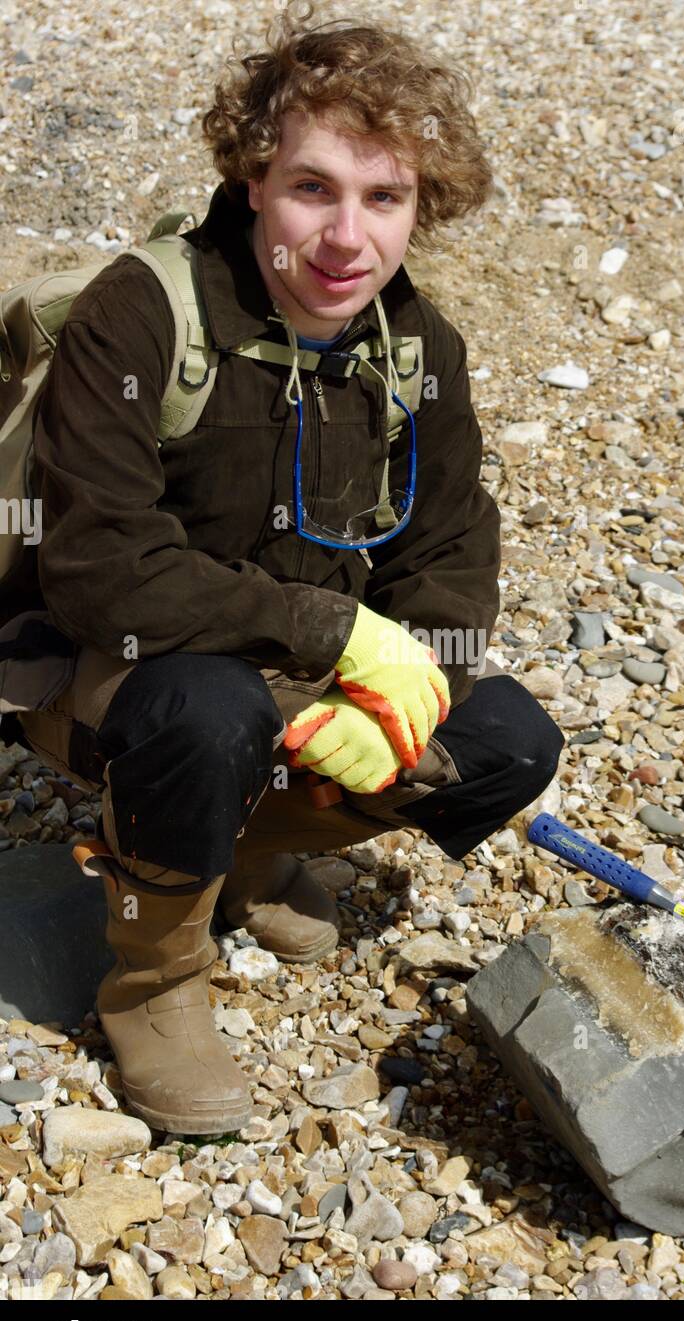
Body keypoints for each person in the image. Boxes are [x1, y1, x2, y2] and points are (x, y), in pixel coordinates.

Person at [12, 3, 564, 1135]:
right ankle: (155, 978)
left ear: (423, 205)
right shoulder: (141, 313)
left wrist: (411, 681)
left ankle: (239, 856)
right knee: (207, 713)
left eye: (385, 197)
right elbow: (99, 567)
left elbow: (454, 547)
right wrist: (340, 639)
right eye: (313, 187)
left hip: (284, 665)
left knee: (510, 741)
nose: (345, 239)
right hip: (111, 661)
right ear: (254, 178)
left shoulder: (416, 348)